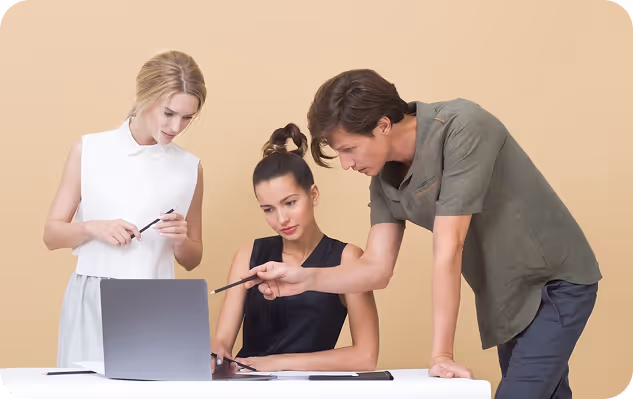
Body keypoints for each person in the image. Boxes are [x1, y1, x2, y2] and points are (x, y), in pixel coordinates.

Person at [244, 69, 601, 398]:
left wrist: (441, 355)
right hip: (503, 297)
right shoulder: (382, 175)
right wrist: (302, 277)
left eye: (349, 149)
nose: (347, 164)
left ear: (383, 125)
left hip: (553, 283)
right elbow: (376, 270)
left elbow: (450, 245)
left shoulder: (463, 127)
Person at [44, 50, 207, 368]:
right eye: (169, 113)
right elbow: (51, 235)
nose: (177, 127)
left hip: (158, 302)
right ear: (145, 97)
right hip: (92, 298)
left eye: (188, 117)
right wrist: (92, 227)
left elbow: (192, 259)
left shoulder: (190, 168)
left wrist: (180, 239)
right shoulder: (89, 149)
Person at [211, 123, 379, 373]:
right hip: (247, 387)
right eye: (268, 209)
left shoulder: (347, 258)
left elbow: (365, 357)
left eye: (289, 203)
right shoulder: (249, 255)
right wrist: (216, 355)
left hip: (307, 389)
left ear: (313, 195)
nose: (281, 219)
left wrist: (274, 364)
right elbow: (222, 342)